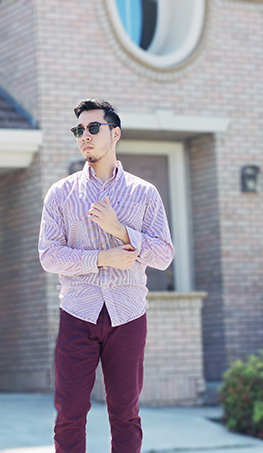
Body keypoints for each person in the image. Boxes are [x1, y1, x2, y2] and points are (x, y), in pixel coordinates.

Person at [38, 99, 174, 452]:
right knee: (69, 414)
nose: (84, 136)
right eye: (79, 130)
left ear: (115, 134)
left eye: (93, 128)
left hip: (128, 315)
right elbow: (49, 256)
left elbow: (163, 255)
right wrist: (102, 258)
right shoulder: (61, 194)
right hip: (77, 314)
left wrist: (122, 231)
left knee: (126, 415)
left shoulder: (143, 193)